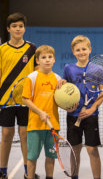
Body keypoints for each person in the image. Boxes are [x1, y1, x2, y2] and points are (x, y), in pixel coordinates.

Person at [0, 12, 39, 179]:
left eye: (20, 26)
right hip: (5, 100)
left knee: (25, 136)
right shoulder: (1, 50)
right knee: (7, 135)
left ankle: (27, 172)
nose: (18, 29)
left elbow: (37, 74)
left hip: (26, 101)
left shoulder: (32, 49)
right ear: (8, 29)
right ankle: (3, 171)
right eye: (14, 26)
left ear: (24, 28)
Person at [22, 45, 75, 179]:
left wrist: (68, 108)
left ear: (54, 59)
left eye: (50, 57)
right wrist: (40, 112)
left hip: (53, 126)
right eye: (43, 57)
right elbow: (25, 99)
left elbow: (59, 101)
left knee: (51, 157)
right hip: (35, 125)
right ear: (38, 61)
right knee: (32, 158)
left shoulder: (57, 79)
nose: (47, 60)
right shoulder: (32, 78)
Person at [62, 35, 103, 179]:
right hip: (73, 116)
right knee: (75, 149)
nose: (81, 52)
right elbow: (64, 92)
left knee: (92, 149)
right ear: (73, 52)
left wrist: (93, 109)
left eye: (84, 49)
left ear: (90, 49)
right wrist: (67, 106)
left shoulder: (98, 69)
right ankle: (74, 177)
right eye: (78, 50)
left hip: (91, 116)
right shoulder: (68, 68)